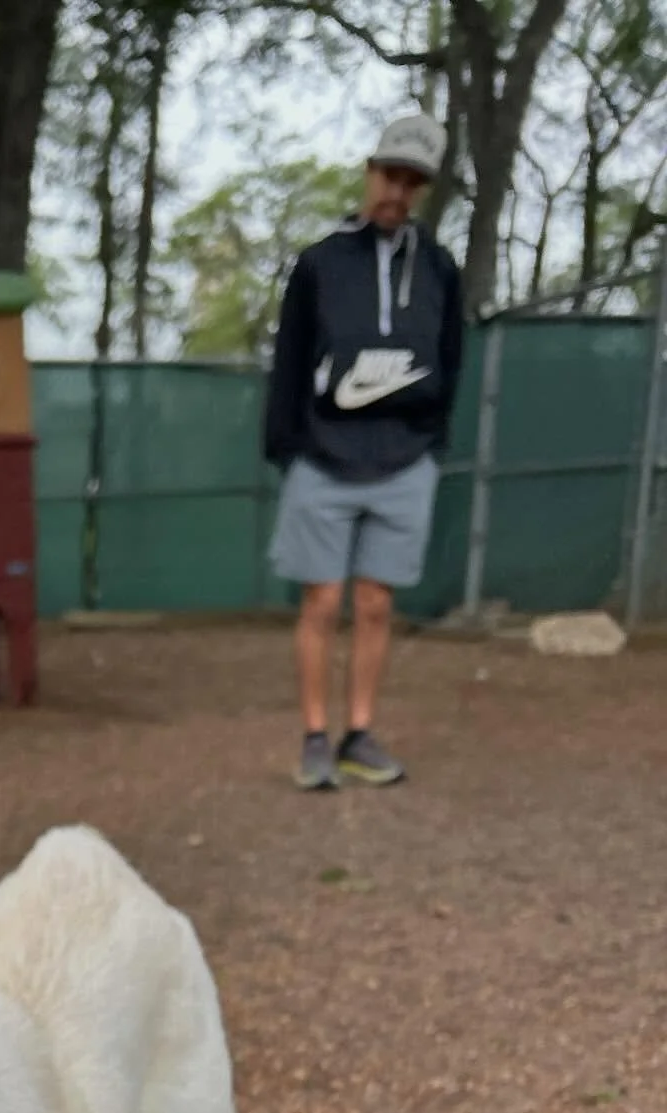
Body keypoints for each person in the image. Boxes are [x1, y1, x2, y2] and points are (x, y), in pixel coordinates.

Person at [264, 113, 464, 791]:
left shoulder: (438, 268)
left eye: (412, 182)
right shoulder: (320, 263)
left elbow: (452, 359)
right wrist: (288, 448)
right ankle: (314, 738)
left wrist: (431, 440)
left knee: (376, 602)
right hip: (322, 458)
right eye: (390, 176)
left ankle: (359, 734)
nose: (397, 193)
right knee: (322, 601)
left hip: (405, 460)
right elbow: (290, 360)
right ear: (369, 172)